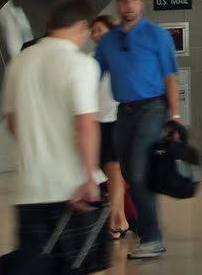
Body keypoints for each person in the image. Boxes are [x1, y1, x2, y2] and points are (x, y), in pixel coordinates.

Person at [3, 0, 111, 273]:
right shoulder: (81, 64)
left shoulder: (20, 62)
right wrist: (89, 177)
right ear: (82, 27)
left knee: (36, 267)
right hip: (72, 189)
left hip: (29, 190)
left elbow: (13, 122)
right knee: (78, 267)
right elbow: (86, 123)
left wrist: (39, 146)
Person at [94, 0, 180, 260]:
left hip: (152, 108)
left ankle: (153, 237)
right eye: (123, 1)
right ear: (118, 7)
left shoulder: (157, 35)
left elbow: (170, 77)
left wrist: (174, 117)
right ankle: (147, 227)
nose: (127, 6)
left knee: (140, 173)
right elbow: (93, 74)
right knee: (130, 174)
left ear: (141, 4)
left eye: (132, 1)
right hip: (124, 111)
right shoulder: (110, 41)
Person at [88, 15, 130, 241]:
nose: (95, 35)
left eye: (100, 30)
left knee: (114, 171)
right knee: (103, 172)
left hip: (115, 119)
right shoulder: (89, 59)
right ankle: (115, 217)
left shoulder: (120, 57)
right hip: (96, 122)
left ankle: (118, 218)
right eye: (93, 31)